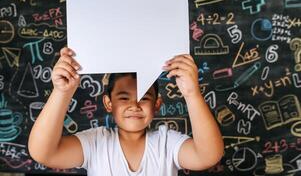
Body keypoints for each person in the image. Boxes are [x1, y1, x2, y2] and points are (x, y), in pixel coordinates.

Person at [28, 47, 224, 176]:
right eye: (123, 97)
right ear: (108, 103)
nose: (135, 105)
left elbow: (208, 156)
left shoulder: (167, 143)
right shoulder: (96, 143)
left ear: (157, 104)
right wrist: (62, 92)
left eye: (145, 98)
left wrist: (192, 93)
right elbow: (43, 152)